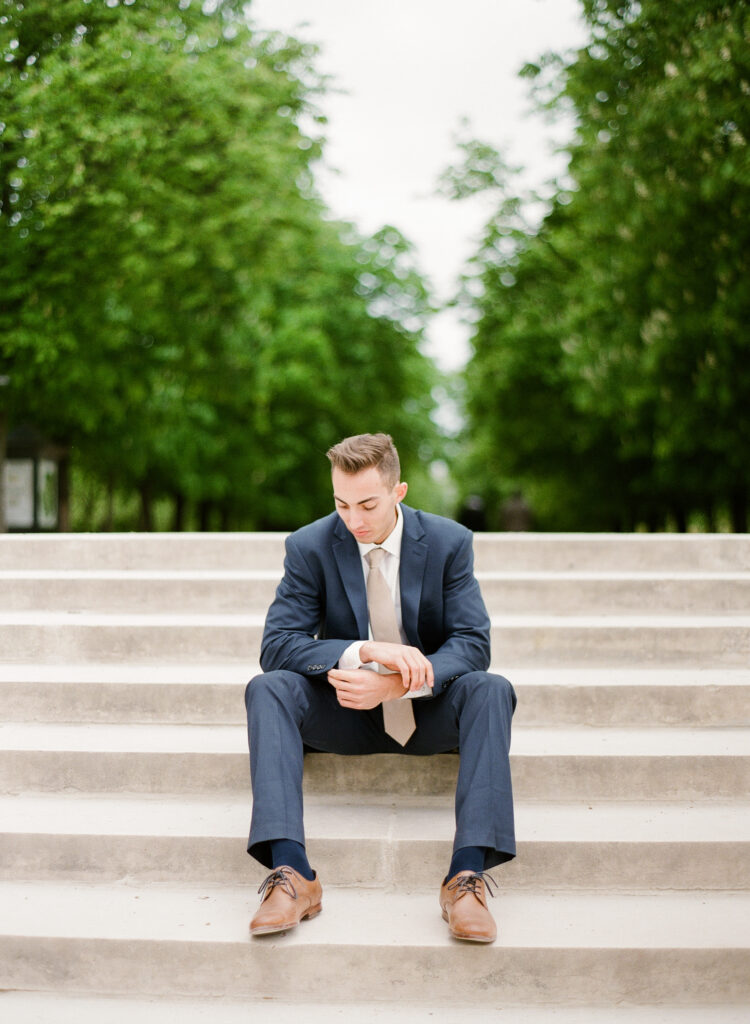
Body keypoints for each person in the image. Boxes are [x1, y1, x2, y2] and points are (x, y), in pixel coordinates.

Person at [244, 433, 516, 943]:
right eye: (341, 504)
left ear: (399, 492)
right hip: (345, 710)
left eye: (367, 503)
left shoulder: (449, 542)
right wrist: (366, 652)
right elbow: (277, 645)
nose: (353, 520)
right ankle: (292, 873)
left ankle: (467, 876)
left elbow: (472, 644)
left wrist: (397, 685)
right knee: (269, 688)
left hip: (427, 712)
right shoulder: (309, 546)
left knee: (490, 688)